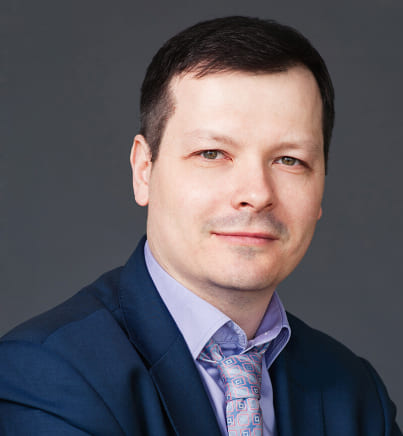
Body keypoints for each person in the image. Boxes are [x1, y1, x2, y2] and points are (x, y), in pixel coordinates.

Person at [0, 16, 400, 436]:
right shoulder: (43, 376)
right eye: (212, 153)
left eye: (289, 160)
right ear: (143, 170)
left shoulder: (355, 394)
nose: (256, 193)